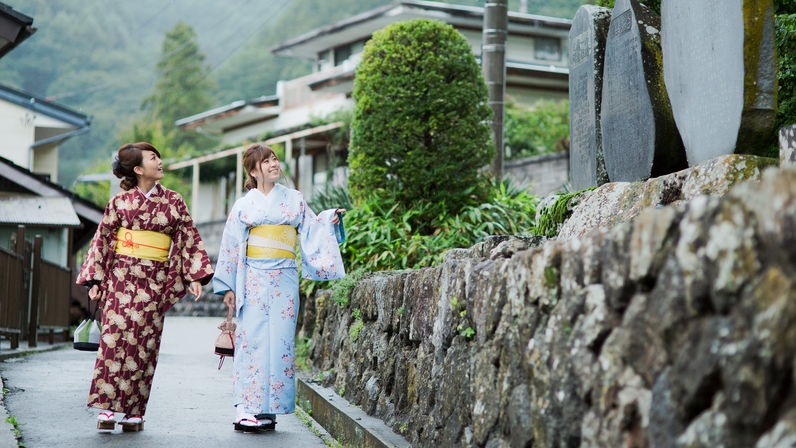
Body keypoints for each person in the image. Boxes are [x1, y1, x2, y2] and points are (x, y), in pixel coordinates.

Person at [76, 142, 214, 431]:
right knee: (113, 342)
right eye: (154, 158)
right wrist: (96, 279)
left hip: (155, 282)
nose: (160, 161)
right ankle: (108, 408)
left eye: (159, 157)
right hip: (120, 280)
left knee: (144, 345)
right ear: (138, 169)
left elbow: (188, 236)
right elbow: (102, 240)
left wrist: (194, 275)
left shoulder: (174, 201)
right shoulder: (118, 203)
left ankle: (135, 410)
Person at [213, 144, 346, 431]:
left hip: (284, 277)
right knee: (252, 340)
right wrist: (228, 287)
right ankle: (245, 407)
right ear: (252, 170)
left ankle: (268, 409)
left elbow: (312, 229)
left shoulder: (294, 199)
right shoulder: (243, 205)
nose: (274, 163)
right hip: (252, 277)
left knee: (281, 341)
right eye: (266, 161)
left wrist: (329, 218)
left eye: (274, 158)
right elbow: (231, 245)